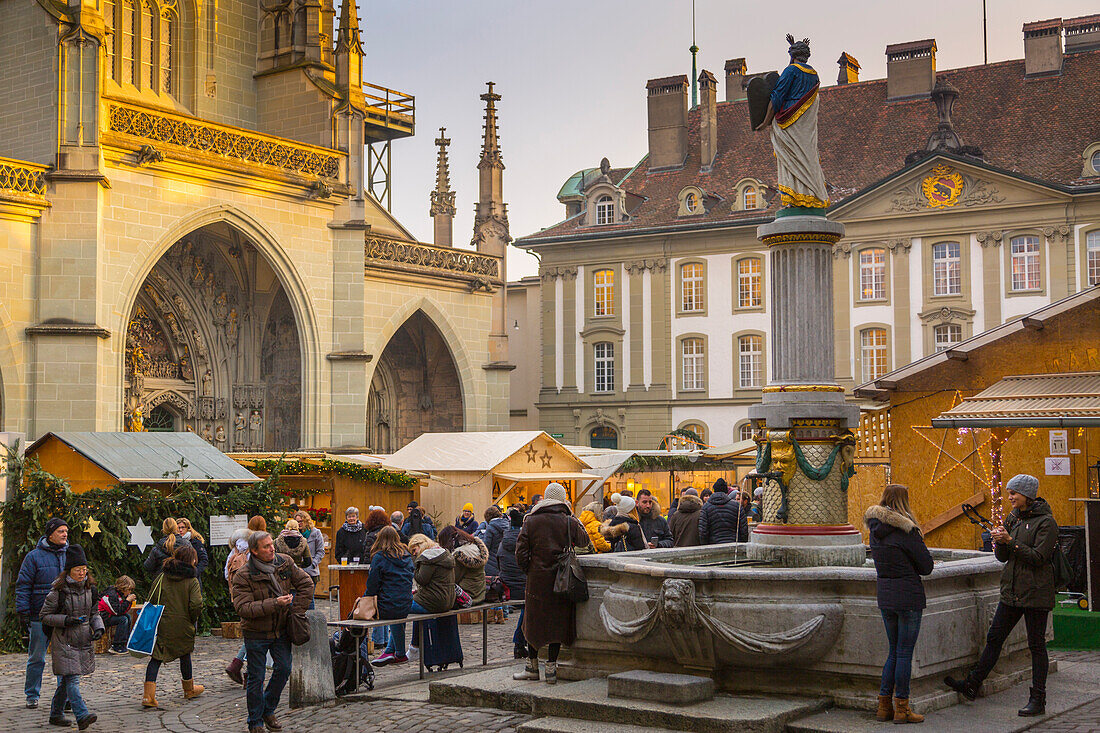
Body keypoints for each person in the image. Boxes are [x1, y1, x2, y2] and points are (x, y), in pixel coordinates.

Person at [945, 474, 1058, 717]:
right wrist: (1000, 543)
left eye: (1013, 493)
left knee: (1036, 646)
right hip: (1012, 592)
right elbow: (1003, 558)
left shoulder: (1046, 522)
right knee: (994, 638)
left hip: (1036, 593)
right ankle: (972, 685)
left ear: (1027, 494)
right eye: (1009, 493)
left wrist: (1011, 542)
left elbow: (1039, 557)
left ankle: (1038, 699)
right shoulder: (1013, 518)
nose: (1010, 498)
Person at [231, 530, 313, 733]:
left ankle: (268, 709)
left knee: (284, 669)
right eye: (266, 547)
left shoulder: (284, 562)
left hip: (281, 630)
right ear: (255, 551)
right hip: (256, 633)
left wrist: (295, 611)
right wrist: (274, 604)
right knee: (256, 678)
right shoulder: (244, 574)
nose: (272, 548)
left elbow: (306, 584)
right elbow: (243, 608)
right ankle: (255, 721)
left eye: (271, 544)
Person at [865, 484, 934, 724]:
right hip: (908, 597)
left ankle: (884, 706)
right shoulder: (906, 531)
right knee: (904, 652)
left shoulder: (875, 530)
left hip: (886, 596)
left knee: (894, 651)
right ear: (904, 502)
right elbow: (927, 567)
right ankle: (902, 709)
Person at [514, 483, 588, 684]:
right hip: (561, 578)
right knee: (557, 622)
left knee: (533, 622)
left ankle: (532, 666)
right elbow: (584, 541)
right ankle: (551, 669)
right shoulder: (568, 520)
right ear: (563, 499)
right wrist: (573, 515)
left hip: (537, 579)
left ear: (545, 498)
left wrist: (529, 569)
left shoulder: (531, 520)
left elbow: (520, 552)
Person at [753, 34, 829, 210]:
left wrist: (765, 122)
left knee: (790, 160)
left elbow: (777, 97)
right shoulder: (814, 75)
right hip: (805, 127)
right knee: (805, 157)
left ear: (793, 56)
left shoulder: (791, 71)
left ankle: (793, 198)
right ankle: (810, 195)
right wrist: (794, 48)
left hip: (787, 125)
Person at [40, 544, 102, 730]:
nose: (82, 573)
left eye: (84, 569)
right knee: (73, 679)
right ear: (69, 570)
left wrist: (98, 627)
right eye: (78, 570)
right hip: (64, 641)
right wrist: (66, 620)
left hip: (82, 641)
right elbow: (44, 616)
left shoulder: (90, 589)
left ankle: (56, 714)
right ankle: (82, 715)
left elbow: (94, 613)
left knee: (67, 681)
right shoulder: (58, 591)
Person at [16, 516, 73, 709]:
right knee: (37, 657)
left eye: (66, 531)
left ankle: (63, 698)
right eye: (60, 531)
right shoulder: (33, 557)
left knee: (64, 659)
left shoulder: (70, 554)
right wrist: (23, 611)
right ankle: (32, 694)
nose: (65, 534)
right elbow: (23, 585)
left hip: (63, 616)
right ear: (50, 533)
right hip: (39, 615)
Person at [143, 543, 204, 709]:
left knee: (156, 657)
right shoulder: (191, 580)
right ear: (191, 560)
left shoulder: (162, 577)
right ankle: (189, 689)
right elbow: (196, 604)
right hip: (183, 623)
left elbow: (152, 598)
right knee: (185, 653)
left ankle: (148, 696)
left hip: (162, 622)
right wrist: (192, 619)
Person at [367, 526, 414, 666]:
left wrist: (366, 599)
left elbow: (372, 585)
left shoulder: (380, 557)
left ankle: (399, 653)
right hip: (406, 601)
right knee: (398, 609)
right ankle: (389, 651)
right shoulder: (406, 556)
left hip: (388, 605)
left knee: (393, 609)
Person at [406, 533, 456, 659]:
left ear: (420, 545)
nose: (414, 554)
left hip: (434, 601)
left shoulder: (428, 558)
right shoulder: (442, 554)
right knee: (417, 612)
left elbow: (421, 579)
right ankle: (414, 647)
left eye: (414, 550)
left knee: (398, 606)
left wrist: (415, 564)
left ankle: (397, 650)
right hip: (447, 600)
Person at [497, 506, 528, 658]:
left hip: (506, 585)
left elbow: (498, 562)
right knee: (528, 607)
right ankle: (519, 643)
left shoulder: (504, 541)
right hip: (522, 586)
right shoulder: (525, 541)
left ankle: (520, 643)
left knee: (526, 608)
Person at [224, 526, 252, 685]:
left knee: (252, 632)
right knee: (258, 634)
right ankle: (244, 668)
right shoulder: (253, 551)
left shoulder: (233, 552)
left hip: (238, 598)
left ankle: (239, 664)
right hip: (254, 598)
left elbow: (226, 574)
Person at [439, 526, 488, 606]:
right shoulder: (475, 547)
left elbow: (452, 578)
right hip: (480, 594)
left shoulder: (459, 555)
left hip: (466, 596)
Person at [293, 511, 325, 610]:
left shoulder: (315, 533)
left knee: (309, 598)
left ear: (306, 521)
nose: (299, 524)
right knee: (296, 598)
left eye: (301, 521)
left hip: (311, 571)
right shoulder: (294, 534)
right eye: (297, 521)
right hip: (297, 570)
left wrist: (313, 564)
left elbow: (320, 551)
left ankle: (312, 621)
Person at [698, 478, 746, 545]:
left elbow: (703, 531)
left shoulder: (706, 507)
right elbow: (743, 529)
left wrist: (705, 546)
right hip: (733, 544)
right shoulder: (736, 506)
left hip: (713, 546)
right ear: (726, 491)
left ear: (714, 491)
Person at [98, 575, 136, 655]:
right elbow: (117, 612)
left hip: (109, 615)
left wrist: (128, 602)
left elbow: (123, 611)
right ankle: (116, 646)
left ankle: (124, 643)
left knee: (127, 617)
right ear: (123, 588)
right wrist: (127, 601)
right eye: (128, 590)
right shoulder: (111, 595)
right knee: (123, 619)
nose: (129, 592)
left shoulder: (120, 594)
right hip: (101, 617)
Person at [480, 506, 509, 574]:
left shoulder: (490, 528)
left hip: (492, 561)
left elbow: (486, 546)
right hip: (504, 560)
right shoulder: (507, 524)